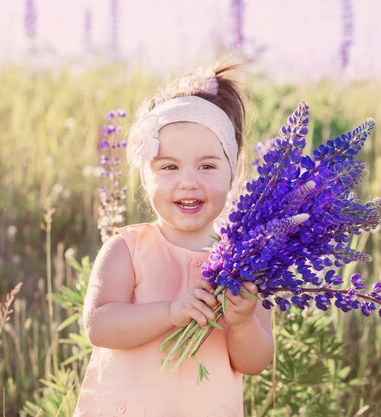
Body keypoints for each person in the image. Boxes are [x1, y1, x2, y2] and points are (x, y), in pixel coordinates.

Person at [73, 64, 275, 417]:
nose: (188, 182)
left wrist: (243, 322)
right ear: (145, 176)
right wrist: (171, 312)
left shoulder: (246, 263)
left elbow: (255, 362)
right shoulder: (127, 248)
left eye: (207, 167)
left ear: (233, 174)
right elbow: (99, 326)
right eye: (169, 167)